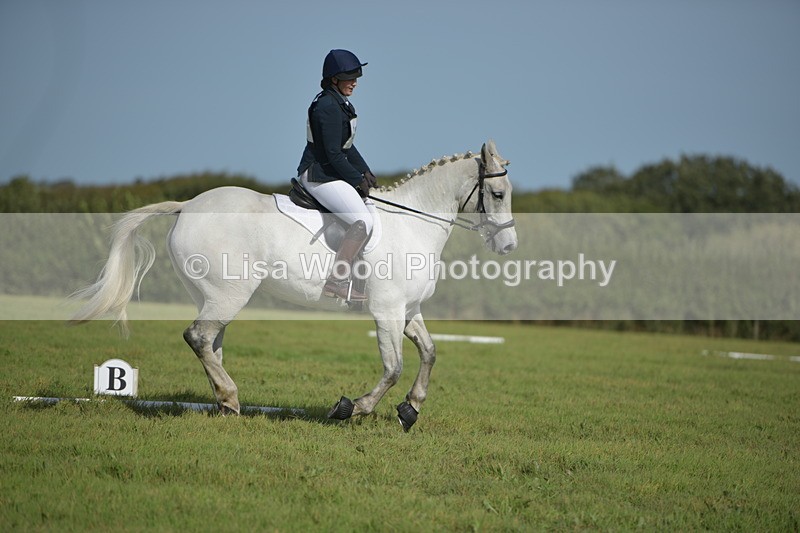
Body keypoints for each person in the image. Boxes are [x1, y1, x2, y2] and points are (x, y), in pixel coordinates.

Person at [297, 49, 377, 301]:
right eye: (349, 77)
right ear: (334, 79)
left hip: (330, 172)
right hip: (318, 174)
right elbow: (332, 153)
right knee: (361, 221)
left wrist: (364, 170)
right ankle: (337, 280)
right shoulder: (327, 106)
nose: (355, 82)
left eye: (356, 77)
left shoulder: (339, 103)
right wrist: (356, 180)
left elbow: (347, 146)